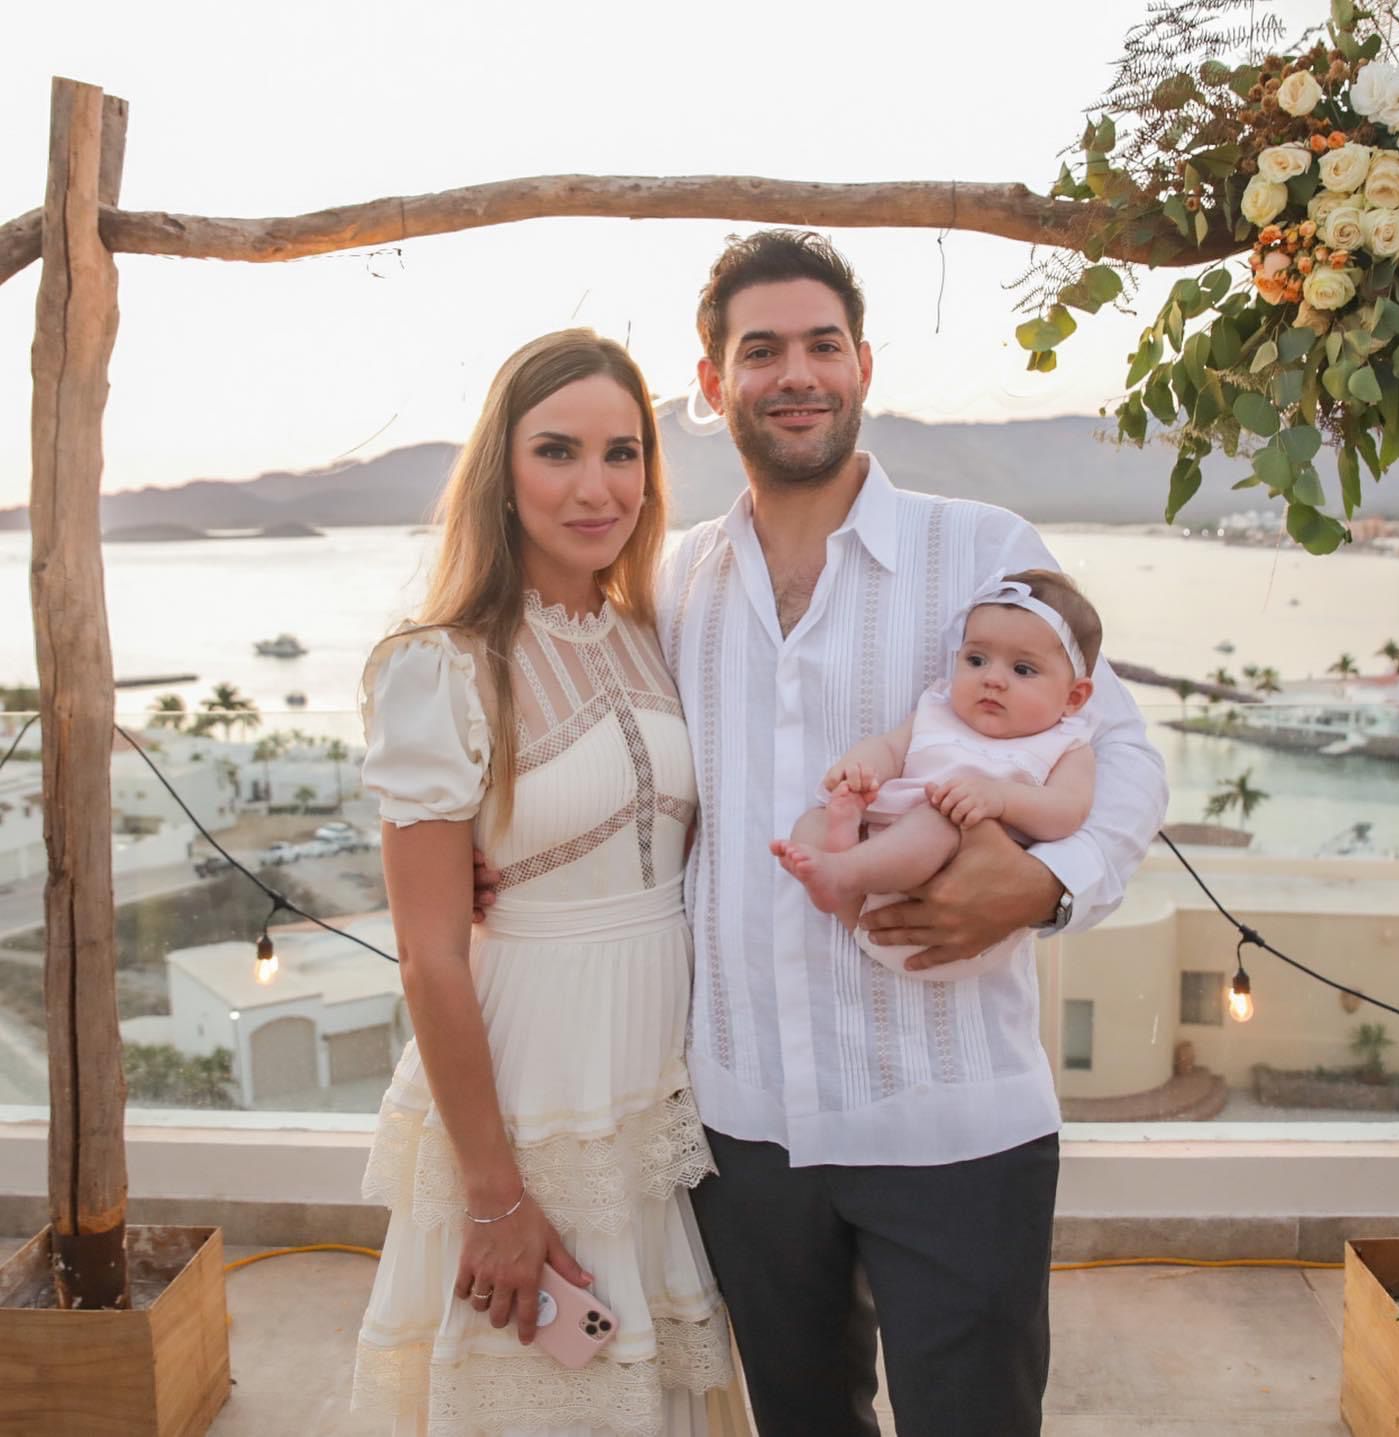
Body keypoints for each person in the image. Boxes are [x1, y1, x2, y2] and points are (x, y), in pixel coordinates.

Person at [656, 230, 1169, 1437]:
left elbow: (1126, 754)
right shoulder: (674, 581)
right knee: (799, 1422)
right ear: (714, 375)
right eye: (762, 349)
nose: (797, 374)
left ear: (865, 364)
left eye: (822, 345)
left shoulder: (980, 549)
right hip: (742, 1123)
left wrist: (1047, 891)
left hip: (951, 1118)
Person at [351, 330, 747, 1437]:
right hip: (531, 1096)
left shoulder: (651, 636)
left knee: (642, 1387)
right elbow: (430, 958)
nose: (596, 486)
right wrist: (498, 1192)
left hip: (649, 1095)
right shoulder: (443, 666)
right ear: (502, 471)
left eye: (623, 454)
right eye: (558, 451)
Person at [772, 567, 1100, 980]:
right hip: (883, 891)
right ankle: (842, 873)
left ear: (1074, 696)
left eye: (1023, 670)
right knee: (814, 819)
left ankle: (844, 872)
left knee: (940, 813)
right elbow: (891, 747)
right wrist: (861, 771)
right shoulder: (939, 709)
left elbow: (1068, 810)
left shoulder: (1066, 745)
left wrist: (999, 798)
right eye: (976, 660)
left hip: (965, 902)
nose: (993, 679)